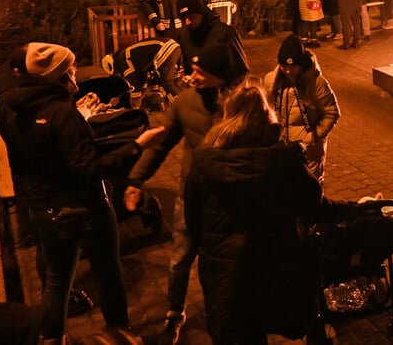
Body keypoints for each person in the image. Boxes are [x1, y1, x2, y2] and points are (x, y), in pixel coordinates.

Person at [0, 42, 166, 344]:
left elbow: (39, 151)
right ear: (57, 77)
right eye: (71, 73)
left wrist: (79, 115)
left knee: (57, 280)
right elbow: (88, 168)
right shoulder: (62, 115)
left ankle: (52, 339)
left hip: (43, 210)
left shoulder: (8, 108)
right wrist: (137, 145)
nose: (75, 80)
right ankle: (120, 336)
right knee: (109, 275)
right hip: (85, 210)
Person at [184, 81, 331, 344]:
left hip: (224, 281)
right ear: (268, 119)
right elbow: (313, 205)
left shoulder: (204, 162)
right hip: (273, 277)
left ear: (229, 117)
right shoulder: (284, 162)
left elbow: (193, 222)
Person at [124, 44, 244, 345]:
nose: (193, 77)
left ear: (220, 75)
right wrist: (136, 179)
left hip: (229, 203)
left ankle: (231, 316)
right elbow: (162, 143)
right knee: (179, 262)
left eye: (200, 72)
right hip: (191, 199)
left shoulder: (241, 104)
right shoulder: (184, 103)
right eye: (193, 70)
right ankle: (175, 312)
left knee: (225, 267)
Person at [264, 35, 340, 182]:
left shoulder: (317, 83)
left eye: (293, 67)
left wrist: (314, 136)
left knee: (310, 189)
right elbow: (266, 109)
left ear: (302, 64)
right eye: (284, 66)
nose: (287, 71)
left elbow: (332, 112)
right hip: (281, 146)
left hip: (308, 150)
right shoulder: (270, 81)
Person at [175, 0, 249, 80]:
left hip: (224, 91)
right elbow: (188, 69)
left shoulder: (226, 33)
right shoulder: (184, 37)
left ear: (202, 12)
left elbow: (241, 71)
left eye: (191, 17)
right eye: (183, 19)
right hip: (198, 91)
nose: (187, 22)